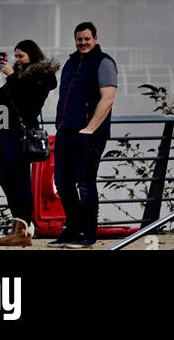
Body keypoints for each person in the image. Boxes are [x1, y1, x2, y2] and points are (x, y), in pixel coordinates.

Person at [0, 39, 59, 247]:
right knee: (6, 180)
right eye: (15, 56)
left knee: (20, 181)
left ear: (31, 56)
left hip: (21, 134)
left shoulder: (40, 77)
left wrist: (10, 76)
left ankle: (25, 229)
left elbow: (27, 103)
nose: (16, 60)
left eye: (20, 56)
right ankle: (16, 226)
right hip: (5, 133)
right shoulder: (15, 76)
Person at [51, 22, 117, 248]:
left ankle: (87, 235)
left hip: (89, 135)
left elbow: (107, 98)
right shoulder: (70, 63)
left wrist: (89, 129)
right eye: (79, 39)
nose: (83, 43)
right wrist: (60, 125)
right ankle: (72, 230)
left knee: (86, 184)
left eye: (87, 39)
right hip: (65, 132)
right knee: (62, 182)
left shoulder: (104, 62)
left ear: (96, 38)